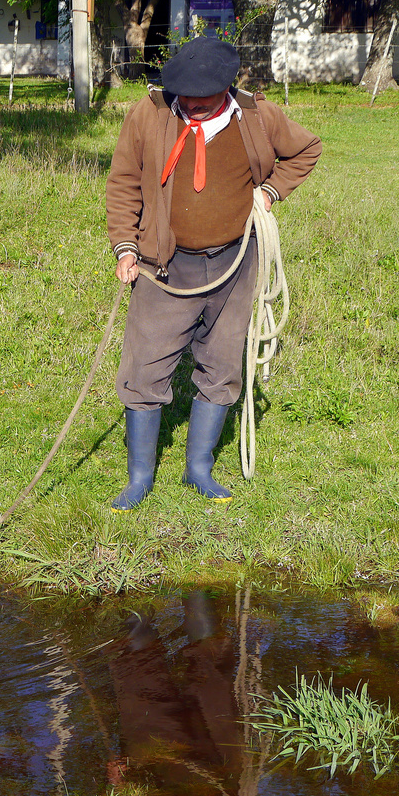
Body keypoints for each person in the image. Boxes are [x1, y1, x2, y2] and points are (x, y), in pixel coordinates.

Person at [106, 36, 321, 509]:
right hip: (164, 266)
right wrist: (125, 246)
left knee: (222, 367)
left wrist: (269, 193)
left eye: (207, 101)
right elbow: (123, 182)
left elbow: (307, 150)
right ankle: (140, 476)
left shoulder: (258, 116)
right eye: (190, 101)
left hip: (234, 264)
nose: (197, 108)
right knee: (143, 369)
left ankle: (198, 469)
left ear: (226, 89)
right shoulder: (150, 114)